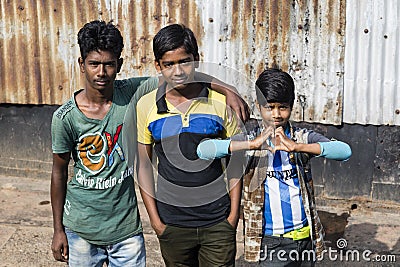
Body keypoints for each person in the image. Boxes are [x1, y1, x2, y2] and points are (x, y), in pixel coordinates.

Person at [50, 20, 249, 266]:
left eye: (109, 64)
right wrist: (58, 229)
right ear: (82, 64)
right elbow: (58, 172)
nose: (101, 72)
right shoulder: (64, 117)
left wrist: (226, 88)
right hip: (80, 227)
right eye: (94, 64)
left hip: (126, 230)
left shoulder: (132, 93)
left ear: (119, 65)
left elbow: (181, 72)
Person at [197, 68, 352, 266]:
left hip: (305, 237)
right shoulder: (250, 138)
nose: (276, 114)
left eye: (283, 107)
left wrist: (298, 147)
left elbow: (344, 151)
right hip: (270, 241)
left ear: (292, 105)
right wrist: (251, 145)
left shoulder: (301, 137)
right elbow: (204, 150)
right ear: (259, 106)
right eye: (269, 107)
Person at [136, 24, 244, 266]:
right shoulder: (146, 105)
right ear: (158, 66)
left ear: (196, 60)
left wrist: (233, 216)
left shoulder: (221, 103)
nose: (178, 71)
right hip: (172, 223)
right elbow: (143, 165)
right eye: (169, 64)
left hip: (217, 221)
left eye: (184, 61)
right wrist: (156, 221)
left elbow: (236, 162)